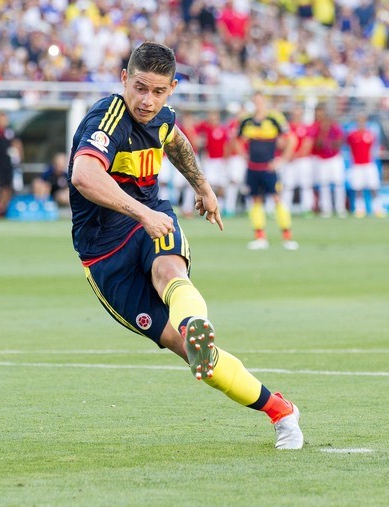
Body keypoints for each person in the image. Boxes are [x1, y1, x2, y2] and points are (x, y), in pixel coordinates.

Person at [68, 41, 303, 450]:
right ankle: (280, 405)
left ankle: (202, 330)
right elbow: (84, 176)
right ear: (124, 78)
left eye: (159, 92)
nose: (147, 100)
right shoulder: (106, 119)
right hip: (103, 253)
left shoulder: (161, 116)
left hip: (151, 219)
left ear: (172, 88)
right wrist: (140, 213)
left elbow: (174, 140)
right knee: (196, 359)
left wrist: (203, 187)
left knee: (169, 271)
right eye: (140, 88)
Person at [234, 92, 299, 250]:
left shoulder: (274, 118)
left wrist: (281, 160)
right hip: (253, 167)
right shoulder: (246, 120)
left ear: (265, 102)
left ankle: (287, 237)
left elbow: (291, 139)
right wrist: (244, 155)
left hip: (269, 168)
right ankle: (260, 237)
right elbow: (236, 139)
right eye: (255, 101)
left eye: (260, 101)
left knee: (277, 199)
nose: (258, 104)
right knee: (256, 200)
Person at [346, 114, 386, 218]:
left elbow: (375, 149)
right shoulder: (352, 135)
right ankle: (360, 209)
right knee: (358, 188)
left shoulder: (371, 134)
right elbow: (348, 149)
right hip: (357, 166)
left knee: (373, 187)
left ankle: (378, 209)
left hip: (369, 165)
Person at [311, 104, 347, 218]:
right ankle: (326, 208)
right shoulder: (316, 128)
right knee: (324, 184)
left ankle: (340, 208)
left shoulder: (335, 127)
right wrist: (323, 132)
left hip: (334, 158)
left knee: (338, 184)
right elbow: (317, 144)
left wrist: (330, 144)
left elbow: (339, 142)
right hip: (322, 160)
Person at [283, 105, 315, 216]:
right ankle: (285, 209)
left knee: (305, 184)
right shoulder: (286, 127)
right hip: (289, 161)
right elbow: (282, 143)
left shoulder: (306, 127)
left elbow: (308, 144)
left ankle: (307, 208)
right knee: (287, 185)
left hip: (302, 160)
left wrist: (296, 155)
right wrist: (289, 155)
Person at [0, 111, 22, 215]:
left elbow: (17, 145)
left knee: (7, 187)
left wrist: (18, 158)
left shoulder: (10, 132)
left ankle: (4, 208)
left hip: (8, 165)